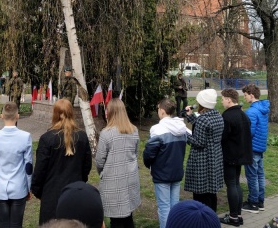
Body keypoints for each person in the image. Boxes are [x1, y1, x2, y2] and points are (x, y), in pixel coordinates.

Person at [31, 99, 92, 225]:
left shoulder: (47, 139)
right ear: (71, 113)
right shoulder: (82, 137)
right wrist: (80, 182)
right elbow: (86, 167)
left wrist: (38, 191)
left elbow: (39, 171)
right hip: (74, 193)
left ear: (55, 114)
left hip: (52, 195)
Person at [143, 98, 188, 228]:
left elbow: (149, 153)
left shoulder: (157, 129)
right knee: (174, 206)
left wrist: (149, 165)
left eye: (158, 109)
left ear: (162, 111)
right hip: (176, 171)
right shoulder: (181, 127)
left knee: (164, 208)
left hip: (162, 173)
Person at [95, 98, 140, 228]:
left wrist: (103, 173)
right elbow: (135, 154)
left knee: (117, 220)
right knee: (127, 217)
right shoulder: (134, 130)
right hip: (130, 179)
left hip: (113, 182)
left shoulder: (106, 134)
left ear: (110, 112)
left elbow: (99, 161)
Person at [0, 102, 33, 228]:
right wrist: (29, 187)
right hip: (19, 187)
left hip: (0, 187)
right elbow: (28, 166)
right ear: (17, 116)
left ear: (1, 116)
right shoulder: (25, 137)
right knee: (16, 224)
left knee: (2, 223)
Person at [184, 88, 224, 212]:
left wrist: (184, 134)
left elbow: (199, 142)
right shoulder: (217, 116)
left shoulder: (203, 119)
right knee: (211, 192)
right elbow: (204, 128)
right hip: (214, 156)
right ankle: (212, 219)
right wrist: (189, 117)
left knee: (201, 194)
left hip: (203, 159)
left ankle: (202, 221)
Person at [219, 89, 253, 226]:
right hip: (241, 155)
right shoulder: (243, 115)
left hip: (230, 155)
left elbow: (223, 137)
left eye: (222, 99)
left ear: (229, 99)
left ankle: (233, 217)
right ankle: (237, 214)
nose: (221, 102)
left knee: (231, 184)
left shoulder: (227, 117)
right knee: (236, 183)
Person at [242, 84, 270, 213]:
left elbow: (250, 132)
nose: (244, 97)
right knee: (260, 174)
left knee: (252, 176)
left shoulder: (251, 111)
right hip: (260, 146)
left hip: (252, 147)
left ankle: (253, 203)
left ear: (251, 95)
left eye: (245, 95)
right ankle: (260, 201)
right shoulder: (262, 109)